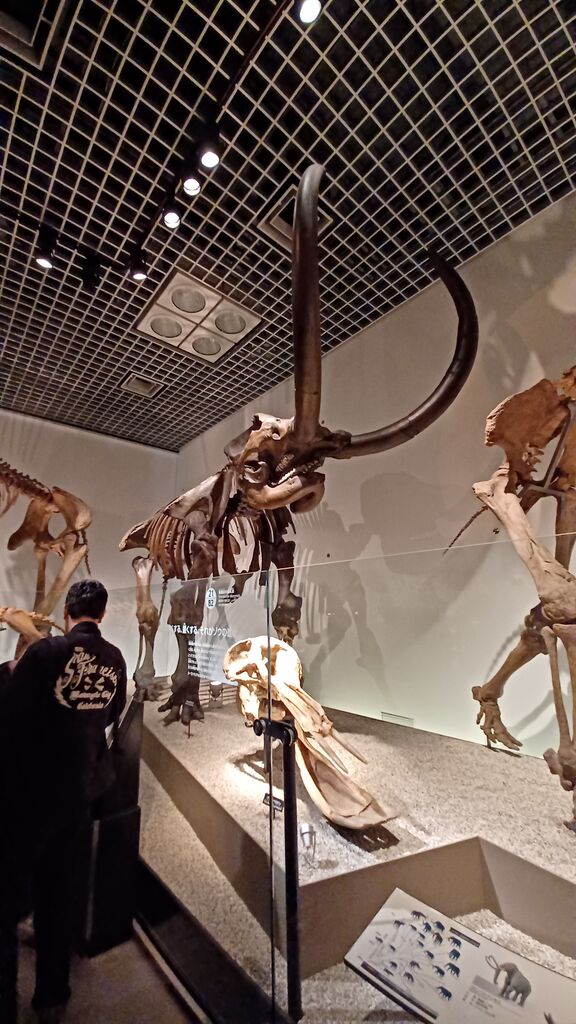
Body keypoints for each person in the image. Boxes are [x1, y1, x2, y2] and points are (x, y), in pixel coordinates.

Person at [0, 580, 127, 1024]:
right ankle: (53, 996)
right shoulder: (115, 659)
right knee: (58, 896)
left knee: (5, 901)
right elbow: (111, 713)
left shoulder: (46, 653)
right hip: (78, 798)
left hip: (29, 799)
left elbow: (10, 713)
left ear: (66, 612)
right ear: (102, 614)